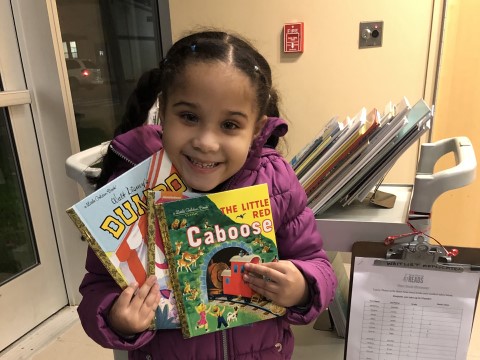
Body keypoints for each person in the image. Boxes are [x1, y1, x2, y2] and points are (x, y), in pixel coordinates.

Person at [78, 30, 337, 360]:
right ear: (164, 111)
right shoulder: (133, 188)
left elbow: (318, 263)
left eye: (230, 125)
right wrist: (117, 318)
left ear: (256, 129)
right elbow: (96, 287)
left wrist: (302, 285)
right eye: (189, 117)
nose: (206, 142)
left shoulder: (275, 181)